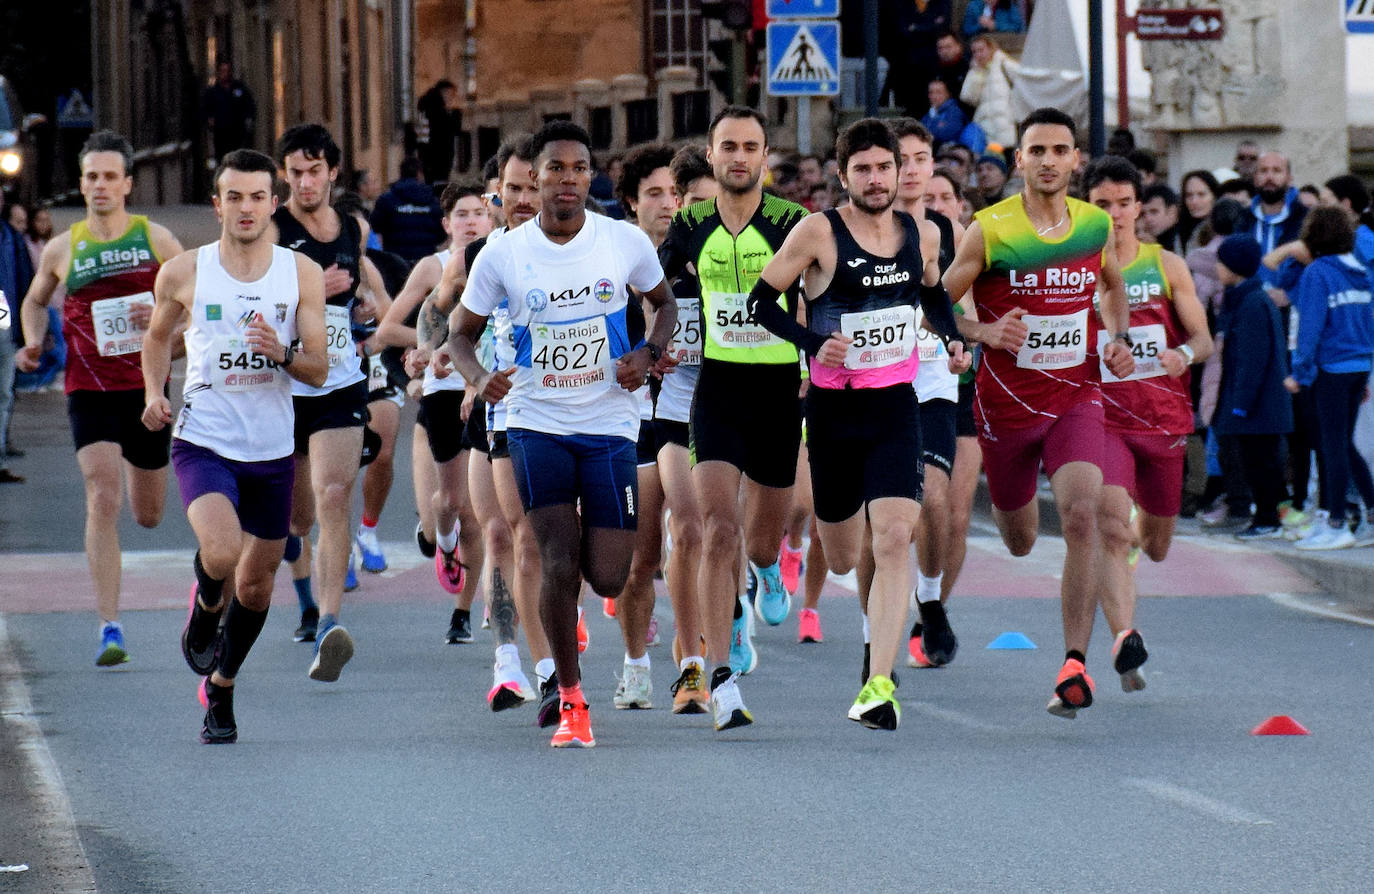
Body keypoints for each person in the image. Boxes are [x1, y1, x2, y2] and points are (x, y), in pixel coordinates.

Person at [442, 121, 676, 748]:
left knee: (607, 575)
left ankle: (581, 619)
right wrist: (479, 375)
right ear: (535, 178)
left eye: (578, 169)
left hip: (609, 423)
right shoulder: (504, 253)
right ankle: (571, 699)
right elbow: (458, 332)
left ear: (590, 177)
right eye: (555, 169)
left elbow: (666, 302)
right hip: (534, 421)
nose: (566, 179)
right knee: (553, 557)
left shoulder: (621, 241)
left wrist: (648, 352)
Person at [748, 117, 968, 728]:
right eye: (863, 170)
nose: (876, 179)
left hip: (896, 404)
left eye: (885, 167)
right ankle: (793, 560)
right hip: (834, 411)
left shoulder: (919, 233)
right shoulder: (818, 231)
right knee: (844, 554)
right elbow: (760, 303)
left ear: (901, 171)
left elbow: (931, 295)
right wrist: (811, 343)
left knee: (897, 535)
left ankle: (877, 682)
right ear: (843, 177)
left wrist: (951, 338)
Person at [941, 107, 1135, 719]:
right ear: (1018, 160)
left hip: (1076, 395)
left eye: (1060, 150)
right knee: (1021, 539)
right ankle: (1071, 647)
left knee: (1082, 513)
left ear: (1076, 160)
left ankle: (1074, 663)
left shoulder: (1095, 225)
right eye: (1037, 151)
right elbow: (935, 305)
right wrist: (982, 330)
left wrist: (1117, 335)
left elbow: (1110, 285)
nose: (1049, 160)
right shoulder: (989, 229)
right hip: (1006, 408)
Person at [141, 148, 328, 743]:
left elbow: (320, 369)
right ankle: (205, 608)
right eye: (234, 197)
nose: (245, 208)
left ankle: (221, 689)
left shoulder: (300, 274)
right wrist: (153, 391)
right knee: (221, 553)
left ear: (273, 203)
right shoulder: (184, 272)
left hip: (272, 449)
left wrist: (282, 353)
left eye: (257, 197)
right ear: (217, 204)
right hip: (204, 439)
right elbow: (156, 338)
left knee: (257, 583)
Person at [658, 106, 810, 731]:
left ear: (765, 158)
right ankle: (721, 676)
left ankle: (769, 568)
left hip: (779, 392)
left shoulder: (791, 222)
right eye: (728, 146)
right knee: (718, 528)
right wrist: (651, 341)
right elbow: (655, 286)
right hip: (717, 388)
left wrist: (812, 360)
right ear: (712, 155)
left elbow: (818, 290)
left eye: (751, 147)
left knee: (759, 537)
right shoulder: (691, 221)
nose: (739, 157)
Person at [16, 130, 184, 662]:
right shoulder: (65, 248)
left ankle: (115, 614)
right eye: (92, 176)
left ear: (128, 184)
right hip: (88, 389)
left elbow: (198, 304)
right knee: (101, 494)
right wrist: (34, 342)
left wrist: (159, 318)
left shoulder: (156, 240)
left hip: (145, 387)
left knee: (149, 514)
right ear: (82, 184)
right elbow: (33, 301)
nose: (100, 186)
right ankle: (109, 626)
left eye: (111, 176)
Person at [416, 141, 552, 707]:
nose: (522, 199)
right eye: (511, 189)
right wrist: (438, 354)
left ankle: (551, 647)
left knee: (538, 541)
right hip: (493, 411)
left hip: (561, 415)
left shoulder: (572, 246)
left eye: (531, 187)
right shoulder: (477, 256)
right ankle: (509, 663)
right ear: (496, 192)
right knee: (498, 532)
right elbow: (434, 314)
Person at [1084, 156, 1212, 691]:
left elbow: (1204, 340)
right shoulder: (1077, 270)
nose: (1113, 214)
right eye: (1101, 205)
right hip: (1103, 417)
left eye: (1122, 204)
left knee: (1154, 545)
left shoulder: (1168, 266)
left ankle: (1141, 540)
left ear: (1140, 207)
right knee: (1110, 526)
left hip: (1162, 419)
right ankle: (1125, 641)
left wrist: (1182, 353)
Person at [270, 123, 385, 673]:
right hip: (283, 384)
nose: (305, 181)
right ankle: (305, 596)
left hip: (339, 379)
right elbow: (254, 301)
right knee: (295, 518)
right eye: (295, 172)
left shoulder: (352, 227)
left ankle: (327, 624)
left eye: (315, 170)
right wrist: (314, 289)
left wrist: (360, 310)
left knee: (335, 493)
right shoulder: (271, 229)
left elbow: (357, 295)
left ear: (333, 172)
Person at [606, 142, 680, 710]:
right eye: (654, 193)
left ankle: (700, 656)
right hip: (631, 423)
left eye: (676, 193)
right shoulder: (610, 262)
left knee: (701, 536)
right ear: (631, 202)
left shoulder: (700, 252)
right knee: (642, 558)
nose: (668, 204)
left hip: (691, 412)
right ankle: (635, 663)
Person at [654, 144, 715, 710]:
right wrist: (654, 348)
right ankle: (692, 663)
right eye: (696, 203)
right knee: (689, 527)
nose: (707, 212)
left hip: (736, 407)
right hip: (675, 405)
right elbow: (631, 314)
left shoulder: (764, 247)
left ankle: (727, 610)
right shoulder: (663, 259)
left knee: (728, 534)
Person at [1282, 207, 1374, 549]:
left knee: (1331, 446)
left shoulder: (1318, 273)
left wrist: (1300, 374)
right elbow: (1367, 322)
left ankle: (1336, 525)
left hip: (1331, 371)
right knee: (1343, 443)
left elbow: (1310, 329)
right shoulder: (1360, 272)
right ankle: (1370, 514)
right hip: (1358, 366)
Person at [1212, 234, 1292, 538]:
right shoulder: (1250, 298)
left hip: (1259, 408)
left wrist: (1240, 405)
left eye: (1221, 262)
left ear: (1234, 266)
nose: (1218, 267)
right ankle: (1268, 517)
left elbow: (1252, 360)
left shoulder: (1251, 303)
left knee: (1262, 465)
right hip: (1259, 406)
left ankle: (1269, 520)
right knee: (1260, 463)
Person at [1, 188, 35, 484]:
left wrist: (27, 331)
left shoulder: (10, 237)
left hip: (5, 326)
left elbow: (27, 285)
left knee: (3, 393)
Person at [881, 0, 952, 118]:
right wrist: (930, 26)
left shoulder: (942, 3)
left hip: (932, 66)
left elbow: (942, 28)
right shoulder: (903, 4)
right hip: (907, 67)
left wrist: (915, 28)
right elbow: (902, 30)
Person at [369, 158, 446, 262]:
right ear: (420, 174)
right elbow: (442, 232)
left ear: (400, 173)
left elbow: (376, 226)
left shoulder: (386, 200)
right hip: (425, 258)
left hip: (395, 260)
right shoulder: (432, 200)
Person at [960, 34, 1020, 149]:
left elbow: (1022, 78)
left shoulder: (1003, 63)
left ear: (991, 49)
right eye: (974, 51)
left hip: (1005, 127)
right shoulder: (975, 71)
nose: (978, 54)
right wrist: (977, 74)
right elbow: (968, 97)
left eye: (981, 50)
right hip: (985, 130)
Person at [201, 61, 256, 159]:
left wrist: (248, 119)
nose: (225, 74)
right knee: (222, 157)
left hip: (237, 131)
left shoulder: (239, 88)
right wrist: (210, 120)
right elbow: (206, 109)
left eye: (227, 71)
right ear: (218, 73)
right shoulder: (213, 92)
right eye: (222, 71)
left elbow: (249, 105)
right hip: (220, 132)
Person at [415, 80, 460, 186]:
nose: (451, 98)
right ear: (444, 92)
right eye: (451, 94)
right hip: (438, 155)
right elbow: (449, 130)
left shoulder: (426, 106)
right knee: (438, 184)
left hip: (426, 154)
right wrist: (453, 114)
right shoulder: (437, 110)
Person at [1178, 170, 1220, 255]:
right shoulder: (1180, 230)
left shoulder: (1222, 231)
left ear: (1214, 196)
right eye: (1189, 195)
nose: (1194, 201)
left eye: (1201, 194)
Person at [921, 79, 967, 146]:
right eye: (931, 92)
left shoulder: (954, 112)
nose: (934, 96)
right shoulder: (929, 114)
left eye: (938, 92)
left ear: (948, 94)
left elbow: (947, 135)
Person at [1140, 184, 1180, 252]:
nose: (1148, 219)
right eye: (1143, 214)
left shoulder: (1187, 238)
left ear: (1172, 212)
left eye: (1154, 212)